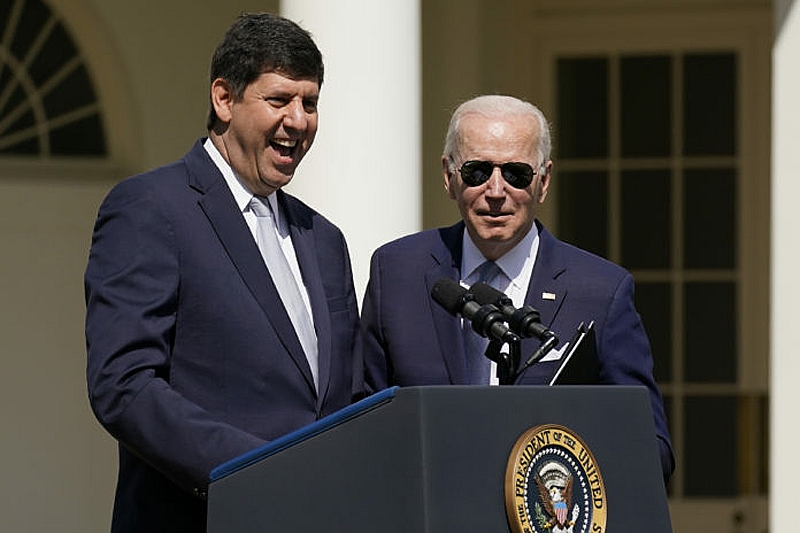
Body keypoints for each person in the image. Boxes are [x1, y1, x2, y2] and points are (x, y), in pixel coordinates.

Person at [84, 13, 361, 532]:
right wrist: (255, 472)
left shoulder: (324, 241)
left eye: (310, 102)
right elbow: (123, 386)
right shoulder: (151, 209)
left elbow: (348, 397)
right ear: (224, 99)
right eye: (279, 100)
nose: (298, 120)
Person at [360, 94, 674, 482]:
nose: (495, 191)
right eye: (477, 172)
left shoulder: (600, 291)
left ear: (543, 183)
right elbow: (360, 423)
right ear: (448, 177)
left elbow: (650, 447)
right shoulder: (397, 272)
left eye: (516, 174)